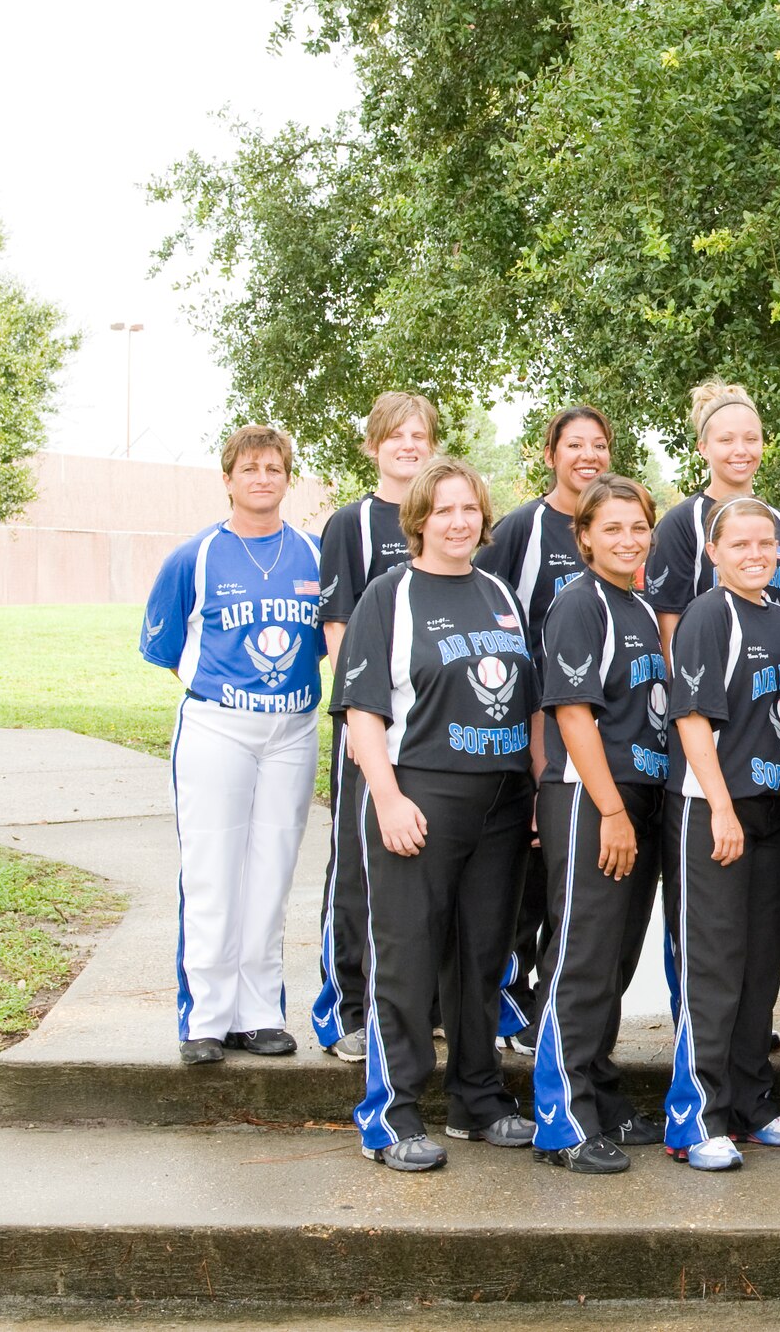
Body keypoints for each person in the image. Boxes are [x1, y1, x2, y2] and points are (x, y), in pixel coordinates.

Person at [339, 458, 539, 1172]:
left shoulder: (500, 595)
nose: (460, 521)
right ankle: (391, 1115)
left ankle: (476, 1099)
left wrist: (538, 791)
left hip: (502, 800)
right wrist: (387, 798)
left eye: (471, 509)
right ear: (420, 518)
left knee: (483, 955)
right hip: (421, 795)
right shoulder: (390, 596)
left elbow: (528, 703)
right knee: (408, 958)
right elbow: (363, 712)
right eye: (445, 509)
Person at [142, 425, 326, 1066]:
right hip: (219, 727)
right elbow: (168, 651)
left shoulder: (311, 551)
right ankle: (207, 1018)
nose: (262, 478)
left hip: (293, 729)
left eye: (274, 468)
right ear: (227, 479)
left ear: (287, 477)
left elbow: (328, 640)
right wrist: (224, 695)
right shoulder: (193, 556)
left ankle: (259, 1013)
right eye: (249, 469)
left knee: (272, 871)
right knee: (214, 870)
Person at [661, 496, 780, 1171]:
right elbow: (692, 719)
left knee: (758, 963)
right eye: (740, 544)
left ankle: (750, 1102)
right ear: (715, 553)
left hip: (771, 808)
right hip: (713, 808)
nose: (756, 553)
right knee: (714, 965)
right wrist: (720, 805)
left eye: (767, 543)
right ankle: (696, 1116)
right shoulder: (707, 615)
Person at [528, 474, 672, 1174]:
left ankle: (601, 1091)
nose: (627, 539)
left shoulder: (637, 605)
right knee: (582, 955)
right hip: (594, 797)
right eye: (611, 528)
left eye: (638, 527)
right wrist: (611, 807)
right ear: (583, 536)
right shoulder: (579, 604)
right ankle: (562, 1118)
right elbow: (573, 713)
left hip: (637, 793)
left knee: (613, 958)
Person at [475, 405, 614, 1045]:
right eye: (574, 445)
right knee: (522, 875)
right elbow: (484, 610)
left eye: (599, 445)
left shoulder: (614, 523)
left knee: (565, 880)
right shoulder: (522, 530)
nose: (588, 456)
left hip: (587, 728)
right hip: (524, 724)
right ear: (550, 452)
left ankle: (545, 1005)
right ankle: (503, 999)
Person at [310, 392, 433, 1062]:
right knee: (357, 864)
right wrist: (368, 719)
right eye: (397, 436)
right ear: (373, 446)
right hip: (369, 721)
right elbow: (338, 627)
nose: (409, 445)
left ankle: (415, 1002)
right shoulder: (351, 523)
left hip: (431, 726)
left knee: (415, 860)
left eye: (420, 435)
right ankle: (345, 1008)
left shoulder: (442, 514)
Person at [646, 381, 780, 651]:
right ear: (704, 448)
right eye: (726, 440)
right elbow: (668, 630)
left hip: (778, 687)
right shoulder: (681, 525)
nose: (740, 450)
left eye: (751, 439)